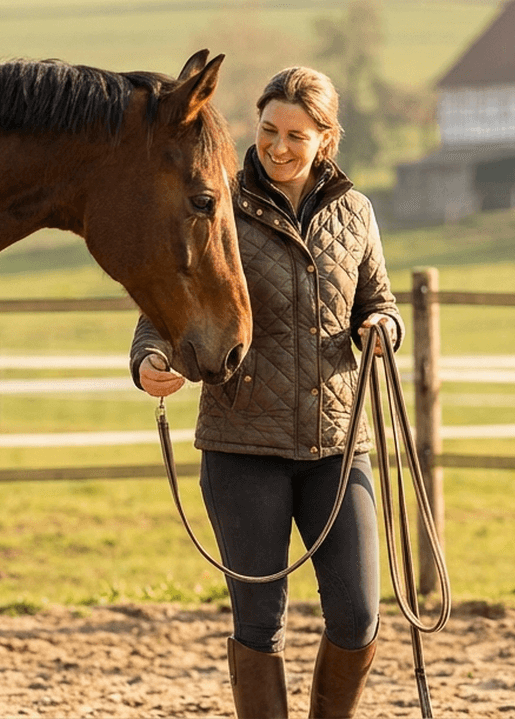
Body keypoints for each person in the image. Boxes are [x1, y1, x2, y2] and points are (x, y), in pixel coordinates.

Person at [130, 66, 402, 719]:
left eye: (297, 136)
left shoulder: (354, 212)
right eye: (269, 130)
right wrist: (150, 357)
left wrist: (383, 329)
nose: (278, 147)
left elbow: (381, 303)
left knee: (358, 614)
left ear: (326, 140)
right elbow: (168, 301)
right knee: (259, 622)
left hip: (337, 444)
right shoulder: (216, 201)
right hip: (242, 446)